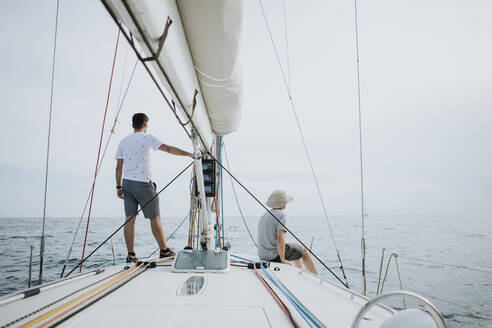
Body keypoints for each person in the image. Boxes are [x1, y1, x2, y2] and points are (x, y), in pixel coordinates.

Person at [115, 113, 193, 262]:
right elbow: (168, 149)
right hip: (143, 183)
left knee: (129, 219)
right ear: (146, 125)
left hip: (126, 183)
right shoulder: (147, 137)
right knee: (154, 218)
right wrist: (189, 154)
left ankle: (131, 255)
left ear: (132, 125)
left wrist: (118, 186)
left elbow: (118, 167)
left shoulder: (123, 142)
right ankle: (164, 251)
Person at [256, 190, 318, 274]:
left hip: (263, 255)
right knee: (304, 251)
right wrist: (283, 260)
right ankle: (316, 276)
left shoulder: (264, 215)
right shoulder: (281, 214)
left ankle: (299, 271)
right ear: (283, 203)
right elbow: (280, 238)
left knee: (296, 248)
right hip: (274, 256)